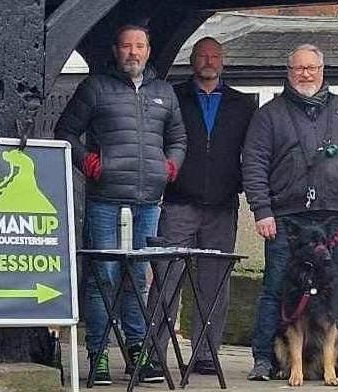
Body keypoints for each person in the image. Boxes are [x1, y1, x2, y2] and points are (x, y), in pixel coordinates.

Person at [54, 25, 186, 385]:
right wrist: (91, 164)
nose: (133, 52)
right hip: (105, 199)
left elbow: (178, 138)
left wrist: (169, 167)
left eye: (139, 46)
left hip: (148, 201)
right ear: (116, 50)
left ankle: (138, 354)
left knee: (137, 279)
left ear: (148, 50)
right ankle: (97, 355)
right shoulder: (95, 87)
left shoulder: (164, 92)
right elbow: (65, 132)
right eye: (126, 46)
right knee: (103, 279)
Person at [242, 43, 338, 385]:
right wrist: (262, 210)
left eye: (311, 68)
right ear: (289, 72)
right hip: (287, 219)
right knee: (275, 287)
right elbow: (254, 163)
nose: (305, 74)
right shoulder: (269, 114)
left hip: (336, 218)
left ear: (322, 70)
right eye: (299, 68)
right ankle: (264, 358)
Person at [145, 37, 256, 375]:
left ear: (222, 61)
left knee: (215, 282)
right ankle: (153, 352)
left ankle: (205, 353)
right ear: (192, 60)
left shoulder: (243, 104)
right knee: (167, 279)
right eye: (202, 55)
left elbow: (252, 154)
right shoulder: (172, 97)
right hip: (179, 201)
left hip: (223, 205)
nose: (208, 61)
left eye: (214, 56)